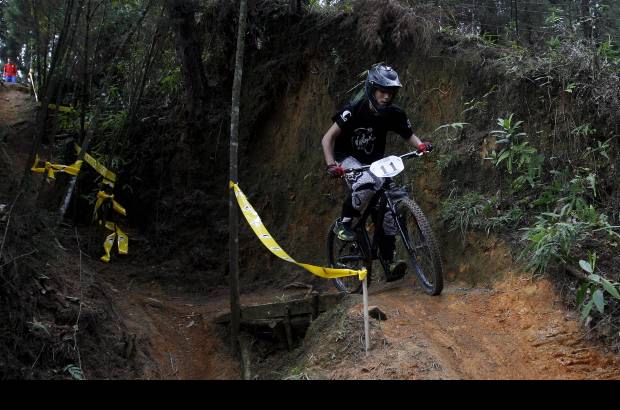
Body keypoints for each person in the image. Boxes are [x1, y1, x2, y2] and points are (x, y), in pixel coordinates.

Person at [321, 64, 432, 282]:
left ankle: (389, 261)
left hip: (374, 162)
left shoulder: (394, 113)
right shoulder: (354, 109)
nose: (386, 97)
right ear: (372, 89)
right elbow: (328, 138)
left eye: (390, 92)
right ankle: (344, 223)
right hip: (346, 158)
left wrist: (420, 146)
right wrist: (331, 164)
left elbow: (408, 134)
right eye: (382, 91)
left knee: (388, 207)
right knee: (365, 184)